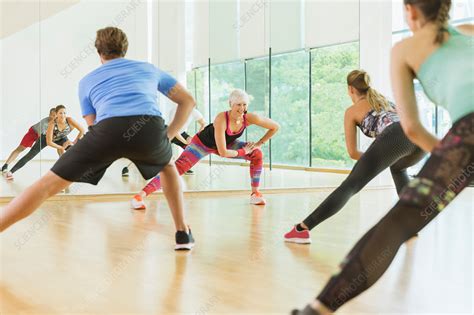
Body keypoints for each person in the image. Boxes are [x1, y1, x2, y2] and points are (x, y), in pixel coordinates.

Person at [292, 1, 473, 313]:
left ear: (411, 11)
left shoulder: (403, 50)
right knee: (399, 173)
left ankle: (318, 307)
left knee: (397, 222)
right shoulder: (467, 31)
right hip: (419, 145)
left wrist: (450, 158)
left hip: (462, 134)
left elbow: (413, 128)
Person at [0, 26, 197, 250]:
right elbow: (188, 101)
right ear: (125, 48)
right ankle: (182, 232)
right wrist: (167, 136)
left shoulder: (86, 81)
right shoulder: (149, 69)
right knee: (168, 166)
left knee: (47, 184)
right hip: (149, 127)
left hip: (108, 129)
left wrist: (106, 147)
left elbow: (92, 123)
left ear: (98, 52)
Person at [284, 70, 425, 244]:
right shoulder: (386, 102)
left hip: (396, 135)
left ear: (350, 89)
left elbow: (353, 152)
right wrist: (379, 159)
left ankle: (302, 229)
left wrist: (374, 161)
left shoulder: (352, 111)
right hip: (420, 136)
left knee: (351, 185)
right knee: (398, 168)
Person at [130, 89, 280, 210]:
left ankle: (255, 193)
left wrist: (259, 143)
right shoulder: (222, 118)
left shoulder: (249, 117)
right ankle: (140, 196)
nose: (242, 109)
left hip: (226, 144)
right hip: (201, 144)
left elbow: (275, 127)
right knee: (177, 169)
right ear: (230, 104)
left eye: (244, 105)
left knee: (257, 154)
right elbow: (222, 153)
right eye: (238, 105)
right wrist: (243, 152)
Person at [121, 106, 206, 177]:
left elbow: (203, 123)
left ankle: (184, 167)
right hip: (168, 131)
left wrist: (195, 137)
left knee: (191, 150)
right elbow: (175, 131)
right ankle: (127, 168)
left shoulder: (195, 112)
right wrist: (185, 141)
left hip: (181, 132)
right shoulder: (175, 111)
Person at [2, 108, 57, 179]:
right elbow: (41, 137)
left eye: (56, 115)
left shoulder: (57, 122)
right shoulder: (44, 123)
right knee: (21, 148)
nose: (54, 117)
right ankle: (5, 165)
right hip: (33, 132)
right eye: (53, 115)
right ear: (49, 115)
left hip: (42, 135)